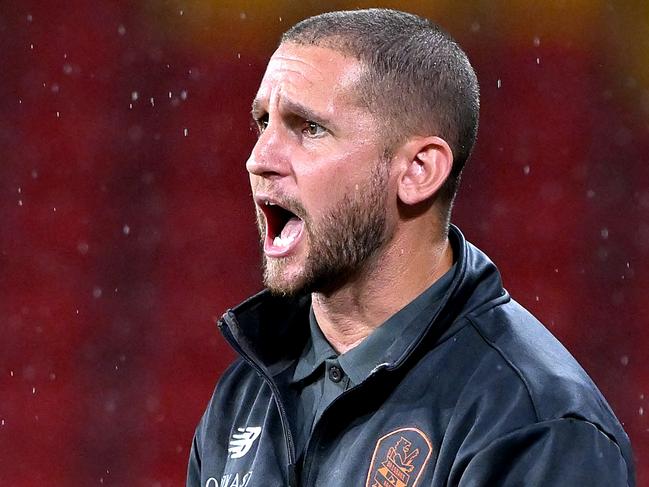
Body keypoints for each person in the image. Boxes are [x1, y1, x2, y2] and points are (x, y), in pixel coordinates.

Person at [187, 8, 635, 487]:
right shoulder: (244, 396)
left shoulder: (533, 426)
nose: (259, 159)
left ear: (418, 171)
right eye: (263, 122)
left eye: (308, 127)